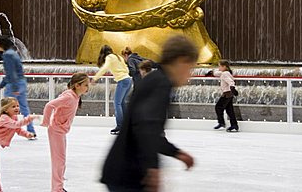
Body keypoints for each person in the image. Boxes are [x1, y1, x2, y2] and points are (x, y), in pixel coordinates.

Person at [101, 35, 196, 192]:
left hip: (125, 170)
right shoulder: (161, 84)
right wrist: (152, 168)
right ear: (181, 60)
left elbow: (150, 131)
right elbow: (145, 126)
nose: (189, 75)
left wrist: (176, 153)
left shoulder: (156, 80)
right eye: (190, 68)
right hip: (129, 173)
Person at [41, 73, 90, 192]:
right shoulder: (69, 97)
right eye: (85, 85)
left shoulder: (74, 96)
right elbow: (49, 105)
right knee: (59, 161)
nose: (88, 88)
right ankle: (57, 188)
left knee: (61, 160)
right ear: (77, 85)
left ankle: (58, 186)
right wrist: (46, 122)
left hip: (60, 131)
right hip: (56, 131)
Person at [0, 97, 38, 192]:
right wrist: (28, 119)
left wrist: (27, 134)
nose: (17, 108)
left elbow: (17, 129)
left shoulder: (13, 117)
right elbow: (16, 125)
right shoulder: (4, 118)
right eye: (13, 106)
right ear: (6, 109)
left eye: (18, 106)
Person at [0, 35, 36, 137]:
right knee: (24, 108)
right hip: (21, 82)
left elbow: (11, 73)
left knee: (7, 108)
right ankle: (31, 130)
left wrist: (13, 88)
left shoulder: (7, 55)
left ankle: (4, 130)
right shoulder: (14, 53)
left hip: (14, 84)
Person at [93, 45, 133, 135]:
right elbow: (126, 68)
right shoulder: (118, 57)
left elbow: (105, 67)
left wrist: (95, 78)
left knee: (117, 103)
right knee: (122, 103)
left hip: (122, 81)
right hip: (128, 80)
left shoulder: (109, 57)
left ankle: (120, 127)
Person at [212, 60, 239, 132]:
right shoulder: (226, 72)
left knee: (218, 107)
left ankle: (221, 123)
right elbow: (218, 73)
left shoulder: (225, 74)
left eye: (219, 66)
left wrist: (232, 88)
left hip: (227, 93)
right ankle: (234, 125)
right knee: (229, 110)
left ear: (224, 67)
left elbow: (230, 81)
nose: (219, 68)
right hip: (229, 93)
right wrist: (213, 72)